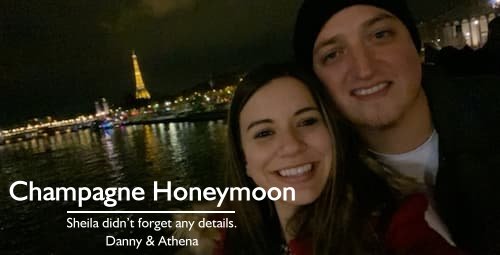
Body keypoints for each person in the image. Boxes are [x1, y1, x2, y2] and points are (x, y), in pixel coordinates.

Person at [293, 0, 500, 254]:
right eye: (333, 54)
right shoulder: (320, 201)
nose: (365, 69)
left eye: (380, 35)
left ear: (416, 47)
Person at [218, 63, 463, 255]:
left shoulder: (387, 226)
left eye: (307, 121)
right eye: (264, 133)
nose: (291, 146)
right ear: (244, 159)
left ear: (332, 132)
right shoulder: (231, 239)